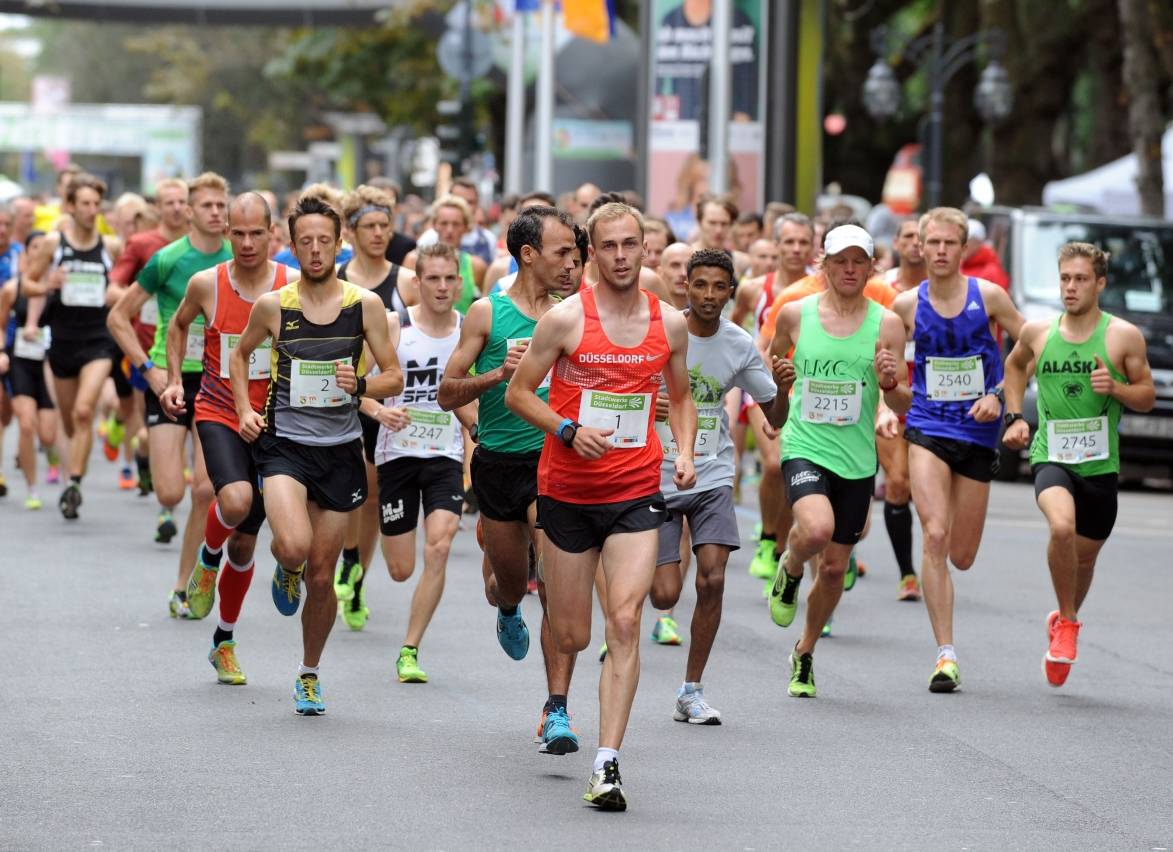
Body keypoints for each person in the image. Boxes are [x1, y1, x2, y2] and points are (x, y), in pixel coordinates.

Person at [505, 201, 696, 811]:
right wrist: (565, 430)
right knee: (573, 633)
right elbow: (517, 395)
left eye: (630, 245)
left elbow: (683, 395)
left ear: (645, 250)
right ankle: (558, 699)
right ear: (591, 252)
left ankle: (607, 763)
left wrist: (684, 448)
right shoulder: (563, 320)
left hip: (636, 491)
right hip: (565, 494)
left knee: (625, 621)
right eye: (608, 246)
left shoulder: (670, 324)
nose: (620, 256)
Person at [230, 195, 403, 716]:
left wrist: (364, 381)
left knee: (323, 577)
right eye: (304, 241)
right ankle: (285, 566)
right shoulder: (274, 305)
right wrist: (243, 408)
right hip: (285, 445)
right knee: (293, 545)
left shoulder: (363, 305)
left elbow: (394, 374)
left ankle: (309, 672)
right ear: (292, 244)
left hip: (340, 450)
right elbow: (239, 357)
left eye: (324, 240)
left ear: (338, 243)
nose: (314, 249)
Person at [437, 205, 582, 756]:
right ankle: (503, 607)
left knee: (555, 582)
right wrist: (499, 372)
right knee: (508, 580)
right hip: (498, 463)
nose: (573, 263)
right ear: (528, 255)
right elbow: (447, 391)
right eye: (561, 253)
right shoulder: (486, 314)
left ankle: (557, 710)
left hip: (558, 464)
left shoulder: (576, 315)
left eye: (575, 253)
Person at [766, 223, 910, 698]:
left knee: (832, 570)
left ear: (872, 267)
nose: (849, 269)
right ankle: (788, 565)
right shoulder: (794, 315)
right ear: (822, 265)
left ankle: (804, 652)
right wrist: (780, 386)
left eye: (858, 261)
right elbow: (773, 384)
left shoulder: (887, 324)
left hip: (856, 459)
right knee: (816, 530)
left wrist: (891, 386)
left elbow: (905, 401)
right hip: (805, 444)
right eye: (840, 260)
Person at [1002, 242, 1154, 688]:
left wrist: (1117, 389)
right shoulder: (1038, 332)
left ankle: (1063, 617)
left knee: (1083, 562)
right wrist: (1014, 417)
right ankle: (1068, 623)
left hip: (1101, 466)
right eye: (1065, 278)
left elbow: (1147, 395)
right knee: (1061, 529)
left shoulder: (1122, 337)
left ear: (1100, 283)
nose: (1071, 287)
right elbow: (1014, 369)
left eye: (1081, 279)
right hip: (1052, 455)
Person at [158, 193, 294, 682]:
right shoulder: (207, 283)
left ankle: (224, 641)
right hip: (218, 411)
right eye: (238, 233)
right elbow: (177, 328)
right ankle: (205, 561)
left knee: (246, 547)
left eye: (257, 232)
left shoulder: (289, 285)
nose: (247, 242)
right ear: (226, 234)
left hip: (274, 420)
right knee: (233, 501)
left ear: (272, 232)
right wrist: (175, 380)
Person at [649, 248, 788, 724]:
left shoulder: (738, 344)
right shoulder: (660, 331)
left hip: (711, 474)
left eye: (719, 286)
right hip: (657, 474)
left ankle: (691, 689)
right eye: (700, 285)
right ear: (685, 286)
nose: (709, 295)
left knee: (712, 577)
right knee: (665, 594)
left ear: (732, 291)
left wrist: (783, 388)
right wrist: (652, 405)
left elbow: (775, 415)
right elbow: (620, 387)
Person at [889, 207, 1024, 692]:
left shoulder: (987, 296)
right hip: (927, 425)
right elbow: (886, 372)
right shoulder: (905, 306)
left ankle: (946, 640)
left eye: (951, 244)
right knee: (935, 534)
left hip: (978, 432)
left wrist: (1001, 399)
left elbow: (1025, 350)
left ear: (963, 250)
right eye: (934, 243)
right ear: (919, 247)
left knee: (962, 555)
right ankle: (945, 654)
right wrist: (888, 400)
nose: (941, 251)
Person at [370, 243, 475, 682]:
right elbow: (354, 385)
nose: (443, 286)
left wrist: (473, 461)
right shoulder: (396, 325)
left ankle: (410, 648)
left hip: (444, 455)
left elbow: (475, 399)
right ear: (417, 281)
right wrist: (379, 411)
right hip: (396, 453)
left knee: (440, 545)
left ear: (460, 281)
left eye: (450, 278)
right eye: (433, 278)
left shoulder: (470, 329)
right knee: (400, 569)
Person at [332, 185, 417, 625]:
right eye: (370, 226)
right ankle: (346, 555)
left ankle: (356, 577)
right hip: (340, 397)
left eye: (386, 225)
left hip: (388, 398)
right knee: (351, 493)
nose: (380, 233)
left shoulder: (405, 281)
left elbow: (427, 337)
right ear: (351, 230)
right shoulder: (338, 278)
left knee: (370, 497)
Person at [20, 173, 122, 520]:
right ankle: (72, 471)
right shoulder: (53, 243)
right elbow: (27, 285)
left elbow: (129, 290)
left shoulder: (111, 248)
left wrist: (116, 295)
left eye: (97, 204)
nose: (92, 210)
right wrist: (48, 282)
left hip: (98, 340)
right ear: (71, 207)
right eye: (86, 204)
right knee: (68, 421)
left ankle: (74, 483)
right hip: (62, 341)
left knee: (83, 411)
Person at [733, 213, 817, 582]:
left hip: (812, 389)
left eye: (803, 242)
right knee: (772, 465)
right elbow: (734, 324)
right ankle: (769, 538)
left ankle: (783, 544)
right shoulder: (756, 289)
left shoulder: (821, 288)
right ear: (777, 244)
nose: (796, 249)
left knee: (790, 471)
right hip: (765, 383)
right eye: (790, 242)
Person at [107, 177, 192, 496]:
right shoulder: (144, 244)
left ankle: (150, 474)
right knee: (140, 421)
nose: (176, 208)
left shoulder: (207, 245)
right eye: (168, 202)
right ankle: (143, 463)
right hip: (147, 345)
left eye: (182, 201)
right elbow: (111, 291)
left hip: (194, 353)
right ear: (157, 208)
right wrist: (146, 293)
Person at [879, 216, 926, 600]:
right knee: (897, 482)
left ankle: (931, 559)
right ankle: (907, 573)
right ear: (896, 242)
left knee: (925, 491)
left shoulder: (945, 291)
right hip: (887, 393)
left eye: (921, 237)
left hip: (931, 397)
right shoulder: (882, 289)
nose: (915, 243)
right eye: (907, 236)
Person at [0, 231, 59, 509]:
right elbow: (1, 326)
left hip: (49, 362)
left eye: (45, 248)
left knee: (47, 435)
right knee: (26, 424)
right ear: (27, 252)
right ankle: (32, 488)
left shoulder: (60, 287)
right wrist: (1, 352)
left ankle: (54, 459)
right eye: (35, 248)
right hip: (20, 360)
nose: (40, 253)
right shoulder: (13, 288)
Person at [404, 194, 485, 312]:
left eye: (456, 224)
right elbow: (405, 301)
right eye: (444, 223)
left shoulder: (476, 266)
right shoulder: (413, 260)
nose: (450, 230)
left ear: (466, 227)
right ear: (434, 225)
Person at [691, 194, 749, 277]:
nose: (719, 230)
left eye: (724, 224)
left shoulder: (741, 262)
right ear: (699, 222)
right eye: (712, 223)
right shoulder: (684, 258)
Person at [960, 219, 1009, 292]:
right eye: (961, 240)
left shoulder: (992, 272)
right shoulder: (958, 265)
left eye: (967, 241)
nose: (963, 245)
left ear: (978, 242)